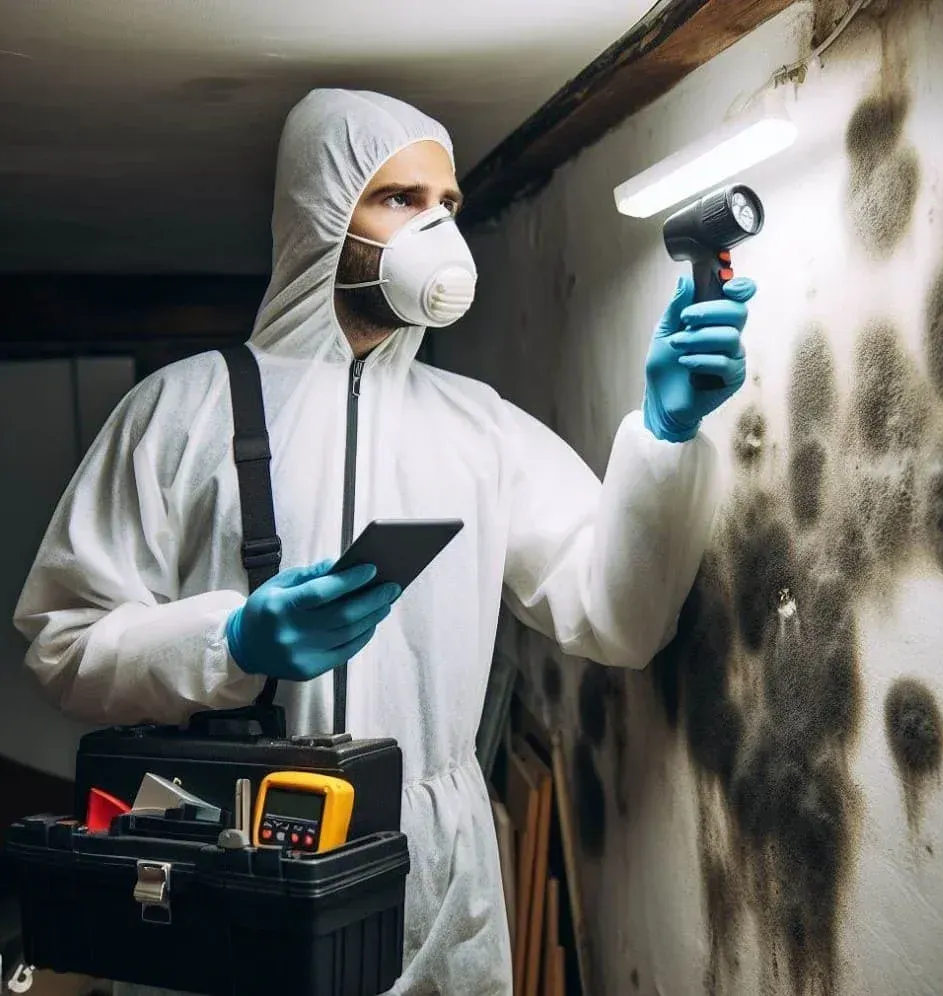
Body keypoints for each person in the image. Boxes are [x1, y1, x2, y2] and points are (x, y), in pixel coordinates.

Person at [13, 89, 756, 995]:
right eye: (399, 199)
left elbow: (617, 621)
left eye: (447, 206)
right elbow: (64, 642)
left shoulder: (478, 427)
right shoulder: (179, 410)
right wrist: (230, 642)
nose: (437, 229)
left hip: (432, 885)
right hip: (229, 867)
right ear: (323, 216)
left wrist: (663, 437)